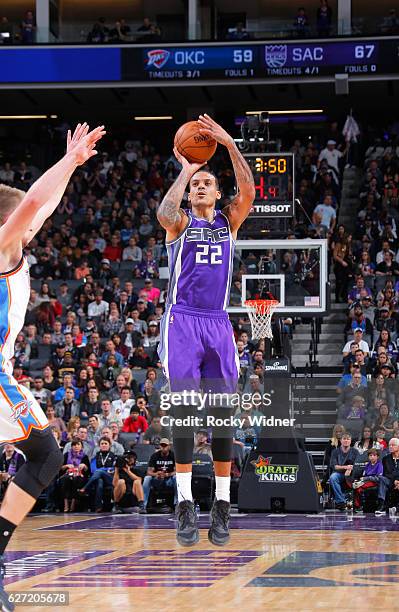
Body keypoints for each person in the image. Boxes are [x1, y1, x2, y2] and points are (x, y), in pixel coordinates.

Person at [0, 121, 105, 609]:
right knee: (45, 456)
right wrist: (66, 161)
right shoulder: (2, 244)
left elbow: (42, 206)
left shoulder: (13, 243)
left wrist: (73, 166)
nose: (35, 225)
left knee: (44, 456)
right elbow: (31, 206)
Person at [157, 114, 255, 546]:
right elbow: (164, 211)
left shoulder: (228, 222)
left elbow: (248, 190)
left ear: (218, 194)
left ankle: (220, 504)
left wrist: (229, 145)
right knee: (182, 409)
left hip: (217, 321)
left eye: (206, 183)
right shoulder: (180, 224)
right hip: (182, 320)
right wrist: (185, 170)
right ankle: (182, 503)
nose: (200, 187)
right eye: (198, 183)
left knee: (222, 414)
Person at [143, 439, 177, 510]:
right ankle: (143, 505)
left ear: (169, 446)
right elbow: (148, 472)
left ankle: (176, 504)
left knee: (176, 478)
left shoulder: (173, 455)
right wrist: (156, 474)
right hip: (157, 479)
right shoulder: (154, 456)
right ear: (159, 446)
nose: (163, 447)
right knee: (147, 478)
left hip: (169, 480)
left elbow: (177, 470)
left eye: (165, 445)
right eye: (162, 445)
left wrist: (168, 474)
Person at [329, 433, 359, 511]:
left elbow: (358, 465)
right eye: (344, 439)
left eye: (348, 439)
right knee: (333, 477)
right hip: (339, 473)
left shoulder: (355, 451)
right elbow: (334, 466)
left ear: (350, 441)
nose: (346, 440)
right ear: (340, 440)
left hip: (351, 474)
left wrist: (350, 469)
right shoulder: (335, 451)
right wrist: (346, 467)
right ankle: (341, 502)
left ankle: (357, 503)